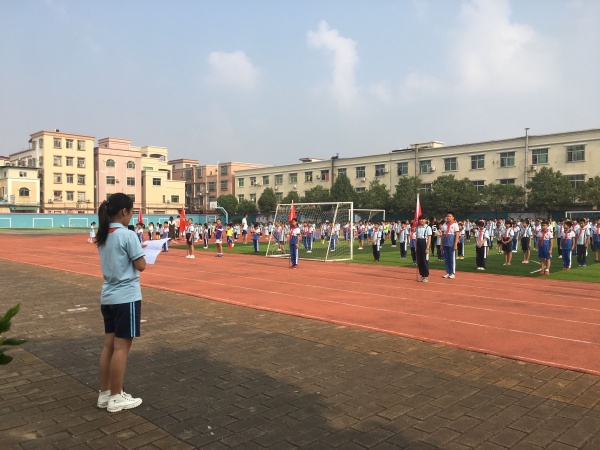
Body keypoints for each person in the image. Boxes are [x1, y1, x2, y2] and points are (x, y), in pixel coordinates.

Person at [95, 193, 145, 413]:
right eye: (131, 212)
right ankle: (116, 397)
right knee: (122, 347)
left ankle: (105, 393)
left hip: (108, 296)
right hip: (126, 297)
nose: (131, 216)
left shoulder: (103, 235)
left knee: (109, 345)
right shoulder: (127, 235)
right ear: (124, 211)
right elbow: (141, 265)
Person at [441, 211, 460, 279]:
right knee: (446, 258)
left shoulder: (455, 224)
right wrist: (441, 244)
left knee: (452, 259)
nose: (448, 217)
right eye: (447, 216)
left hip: (451, 243)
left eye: (450, 216)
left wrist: (455, 244)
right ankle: (447, 271)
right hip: (445, 243)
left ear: (453, 217)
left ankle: (452, 272)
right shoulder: (444, 224)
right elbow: (442, 235)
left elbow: (457, 235)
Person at [416, 215, 432, 282]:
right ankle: (422, 275)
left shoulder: (428, 228)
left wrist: (427, 248)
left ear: (426, 220)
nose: (421, 220)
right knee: (419, 261)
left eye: (423, 219)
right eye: (420, 219)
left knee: (424, 260)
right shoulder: (418, 228)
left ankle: (426, 276)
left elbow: (429, 238)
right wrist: (416, 247)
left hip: (424, 243)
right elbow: (416, 238)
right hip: (419, 243)